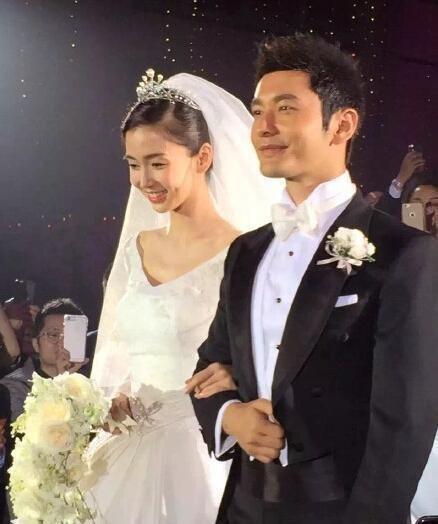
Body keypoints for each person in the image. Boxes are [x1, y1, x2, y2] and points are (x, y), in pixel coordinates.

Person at [190, 33, 438, 524]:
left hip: (336, 509)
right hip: (243, 504)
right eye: (258, 111)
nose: (264, 127)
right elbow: (210, 364)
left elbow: (405, 420)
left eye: (286, 108)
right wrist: (229, 415)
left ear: (342, 124)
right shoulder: (246, 251)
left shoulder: (404, 252)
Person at [86, 71, 281, 523]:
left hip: (201, 451)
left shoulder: (244, 253)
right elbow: (117, 351)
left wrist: (237, 375)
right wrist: (111, 397)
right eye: (133, 164)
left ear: (203, 157)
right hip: (125, 449)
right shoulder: (136, 251)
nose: (143, 180)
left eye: (157, 163)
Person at [0, 297, 88, 422]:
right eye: (53, 335)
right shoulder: (14, 387)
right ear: (36, 344)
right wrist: (61, 383)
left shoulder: (93, 379)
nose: (62, 343)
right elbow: (25, 430)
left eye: (70, 337)